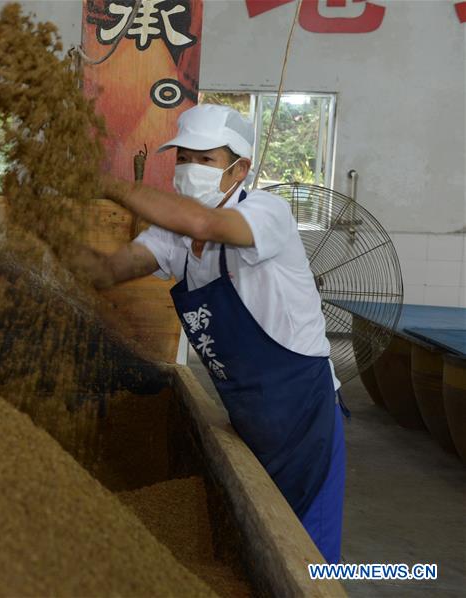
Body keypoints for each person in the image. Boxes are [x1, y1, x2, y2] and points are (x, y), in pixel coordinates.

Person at [78, 104, 347, 564]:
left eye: (205, 160)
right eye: (183, 158)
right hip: (247, 412)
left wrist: (107, 183)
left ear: (239, 169)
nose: (189, 169)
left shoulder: (267, 213)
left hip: (303, 415)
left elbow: (204, 223)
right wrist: (38, 236)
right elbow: (104, 272)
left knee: (306, 558)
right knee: (256, 544)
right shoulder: (172, 238)